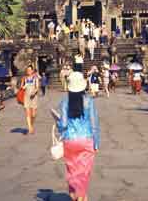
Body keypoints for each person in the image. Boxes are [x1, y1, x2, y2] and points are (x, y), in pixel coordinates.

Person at [57, 71, 100, 201]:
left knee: (73, 171)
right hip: (86, 139)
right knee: (84, 172)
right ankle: (81, 196)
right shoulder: (89, 101)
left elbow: (63, 124)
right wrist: (96, 143)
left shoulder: (65, 102)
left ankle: (76, 195)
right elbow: (94, 123)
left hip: (70, 140)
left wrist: (58, 123)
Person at [21, 65, 39, 134]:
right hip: (26, 96)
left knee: (33, 114)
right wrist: (23, 85)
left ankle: (31, 125)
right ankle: (30, 128)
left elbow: (37, 87)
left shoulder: (35, 77)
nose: (28, 71)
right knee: (28, 113)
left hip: (33, 96)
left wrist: (34, 92)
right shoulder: (24, 78)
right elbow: (21, 87)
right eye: (27, 70)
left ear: (32, 70)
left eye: (30, 70)